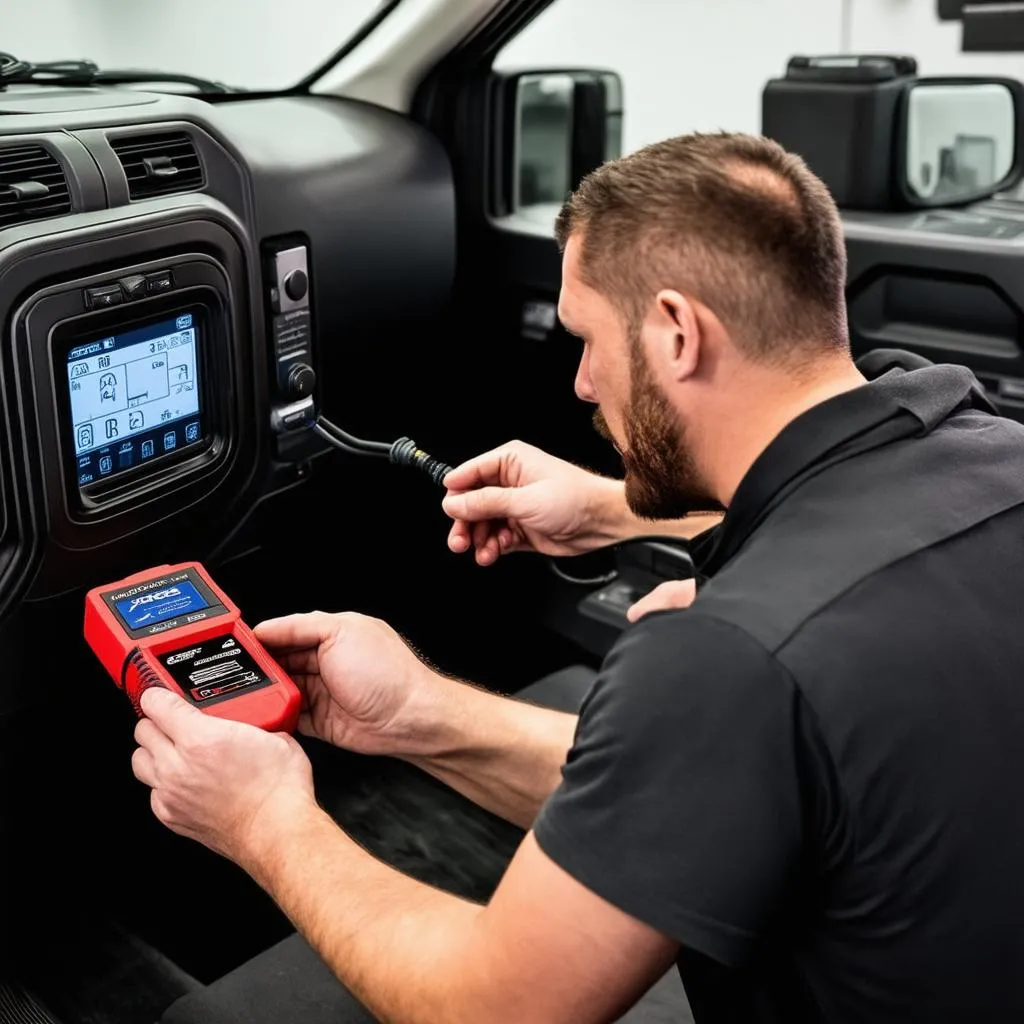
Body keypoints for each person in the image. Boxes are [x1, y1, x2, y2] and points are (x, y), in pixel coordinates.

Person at [137, 131, 1024, 1024]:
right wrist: (418, 715)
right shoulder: (980, 439)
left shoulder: (727, 655)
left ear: (677, 333)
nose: (584, 385)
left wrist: (262, 819)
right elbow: (703, 789)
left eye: (588, 340)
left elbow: (492, 1010)